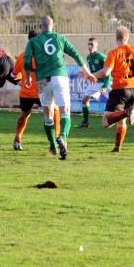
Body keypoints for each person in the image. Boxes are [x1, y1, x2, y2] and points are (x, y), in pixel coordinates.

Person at [23, 16, 97, 160]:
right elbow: (76, 54)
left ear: (40, 26)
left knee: (47, 114)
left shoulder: (33, 41)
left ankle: (52, 145)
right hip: (59, 77)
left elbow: (27, 61)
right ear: (53, 26)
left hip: (42, 79)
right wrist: (87, 73)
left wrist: (27, 77)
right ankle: (62, 137)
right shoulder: (60, 38)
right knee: (65, 112)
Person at [10, 30, 60, 151]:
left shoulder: (22, 56)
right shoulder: (44, 55)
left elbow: (13, 75)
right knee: (54, 111)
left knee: (25, 114)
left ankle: (17, 139)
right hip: (41, 90)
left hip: (25, 92)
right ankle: (57, 138)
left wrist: (22, 82)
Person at [77, 37, 111, 128]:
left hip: (105, 82)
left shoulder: (102, 57)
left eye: (92, 44)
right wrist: (86, 74)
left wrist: (105, 86)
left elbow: (108, 72)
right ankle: (85, 122)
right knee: (84, 99)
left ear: (97, 46)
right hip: (96, 83)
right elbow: (93, 72)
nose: (90, 46)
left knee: (114, 102)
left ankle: (124, 116)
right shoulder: (88, 57)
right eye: (88, 44)